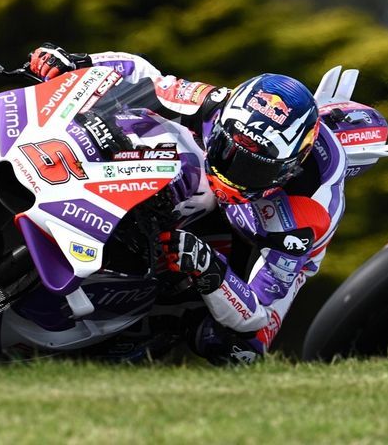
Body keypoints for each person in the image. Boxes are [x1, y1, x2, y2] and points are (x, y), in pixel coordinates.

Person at [29, 45, 347, 363]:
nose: (233, 173)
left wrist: (210, 268)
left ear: (290, 168)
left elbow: (258, 313)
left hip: (266, 232)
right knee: (156, 141)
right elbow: (142, 75)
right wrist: (77, 63)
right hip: (214, 187)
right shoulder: (217, 106)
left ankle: (161, 326)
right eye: (227, 150)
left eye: (254, 169)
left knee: (237, 348)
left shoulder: (304, 218)